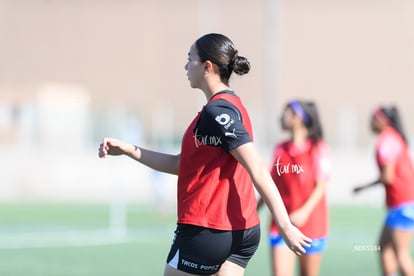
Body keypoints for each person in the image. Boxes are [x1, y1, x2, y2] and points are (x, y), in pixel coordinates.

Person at [98, 33, 311, 276]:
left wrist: (285, 226)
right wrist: (129, 150)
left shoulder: (218, 111)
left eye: (191, 59)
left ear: (207, 67)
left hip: (209, 228)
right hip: (241, 231)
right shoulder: (230, 107)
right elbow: (182, 164)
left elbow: (257, 167)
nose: (186, 66)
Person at [258, 100, 331, 276]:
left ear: (298, 118)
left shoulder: (318, 148)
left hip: (312, 225)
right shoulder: (280, 149)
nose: (282, 117)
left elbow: (321, 187)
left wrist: (304, 212)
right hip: (281, 225)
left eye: (286, 112)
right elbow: (268, 184)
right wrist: (253, 210)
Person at [353, 106, 414, 276]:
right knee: (384, 248)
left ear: (384, 120)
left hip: (404, 204)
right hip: (400, 204)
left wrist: (363, 187)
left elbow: (388, 176)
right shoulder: (393, 138)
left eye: (374, 118)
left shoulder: (386, 140)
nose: (370, 122)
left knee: (401, 255)